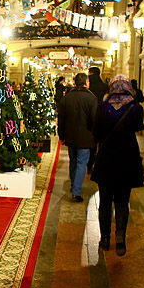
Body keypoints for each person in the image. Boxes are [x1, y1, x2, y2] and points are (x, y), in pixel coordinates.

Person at [91, 75, 144, 256]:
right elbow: (138, 127)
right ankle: (120, 236)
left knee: (105, 201)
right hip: (127, 157)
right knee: (122, 201)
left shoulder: (102, 107)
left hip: (107, 157)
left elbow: (96, 132)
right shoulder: (136, 108)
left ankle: (105, 238)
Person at [58, 73, 97, 202]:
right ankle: (76, 191)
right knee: (81, 163)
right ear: (86, 83)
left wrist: (61, 135)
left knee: (73, 161)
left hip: (70, 136)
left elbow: (61, 119)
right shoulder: (91, 98)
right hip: (85, 137)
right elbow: (94, 119)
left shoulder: (67, 98)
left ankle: (73, 185)